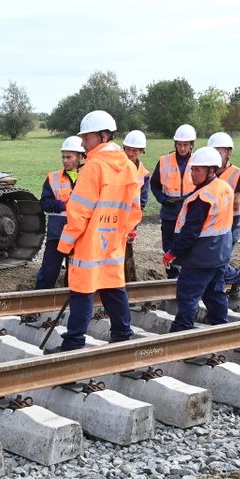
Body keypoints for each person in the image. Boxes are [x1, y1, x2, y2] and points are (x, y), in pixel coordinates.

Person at [57, 110, 141, 350]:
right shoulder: (127, 166)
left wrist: (66, 244)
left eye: (87, 138)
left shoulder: (93, 167)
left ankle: (73, 343)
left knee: (82, 291)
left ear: (103, 136)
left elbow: (78, 212)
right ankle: (122, 336)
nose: (83, 143)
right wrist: (119, 233)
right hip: (114, 242)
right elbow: (134, 210)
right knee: (113, 289)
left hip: (88, 243)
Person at [163, 146, 234, 332]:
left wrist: (172, 252)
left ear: (211, 171)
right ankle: (220, 325)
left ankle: (182, 329)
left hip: (201, 257)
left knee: (188, 294)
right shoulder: (224, 188)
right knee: (215, 292)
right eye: (192, 169)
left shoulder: (202, 198)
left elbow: (190, 233)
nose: (192, 174)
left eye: (197, 170)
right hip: (220, 254)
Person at [36, 137, 85, 289]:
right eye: (63, 157)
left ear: (80, 156)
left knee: (75, 274)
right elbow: (44, 203)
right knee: (49, 272)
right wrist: (65, 205)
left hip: (80, 235)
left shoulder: (89, 177)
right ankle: (38, 304)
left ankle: (72, 305)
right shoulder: (53, 178)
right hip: (57, 234)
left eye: (69, 157)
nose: (65, 160)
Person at [150, 124, 196, 278]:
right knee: (169, 246)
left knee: (190, 244)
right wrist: (163, 199)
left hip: (190, 211)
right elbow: (154, 184)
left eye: (185, 145)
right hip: (170, 211)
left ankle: (187, 275)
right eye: (179, 145)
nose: (182, 148)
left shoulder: (199, 161)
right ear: (175, 144)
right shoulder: (164, 161)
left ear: (191, 145)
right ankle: (172, 277)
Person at [207, 132, 240, 293]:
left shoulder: (238, 175)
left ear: (229, 152)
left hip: (229, 227)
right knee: (211, 264)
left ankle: (238, 277)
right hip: (211, 226)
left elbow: (237, 203)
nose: (216, 155)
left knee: (217, 265)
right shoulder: (208, 172)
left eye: (220, 151)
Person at [122, 130, 149, 282]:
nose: (130, 154)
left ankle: (128, 283)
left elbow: (141, 203)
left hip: (130, 219)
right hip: (112, 216)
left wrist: (133, 227)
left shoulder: (143, 174)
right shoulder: (116, 166)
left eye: (134, 150)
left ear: (141, 151)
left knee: (126, 252)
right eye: (128, 149)